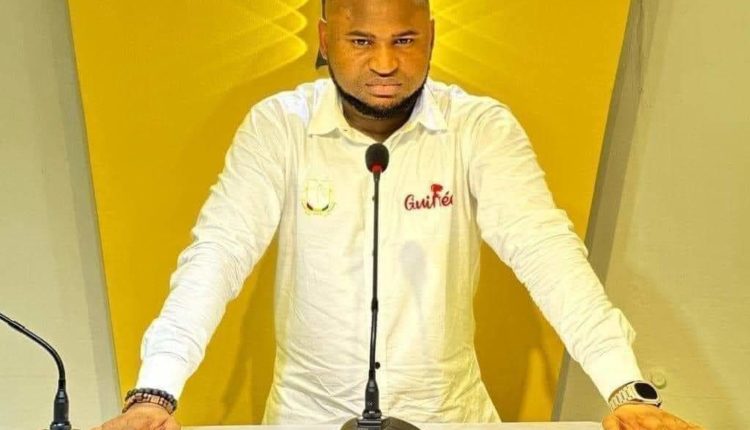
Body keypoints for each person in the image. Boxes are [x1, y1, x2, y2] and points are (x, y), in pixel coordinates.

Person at [93, 0, 704, 429]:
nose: (385, 64)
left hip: (448, 415)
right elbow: (218, 255)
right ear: (326, 40)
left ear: (431, 37)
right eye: (361, 41)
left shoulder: (478, 127)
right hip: (309, 415)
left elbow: (548, 254)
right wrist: (156, 390)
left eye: (404, 41)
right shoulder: (278, 126)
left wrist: (626, 388)